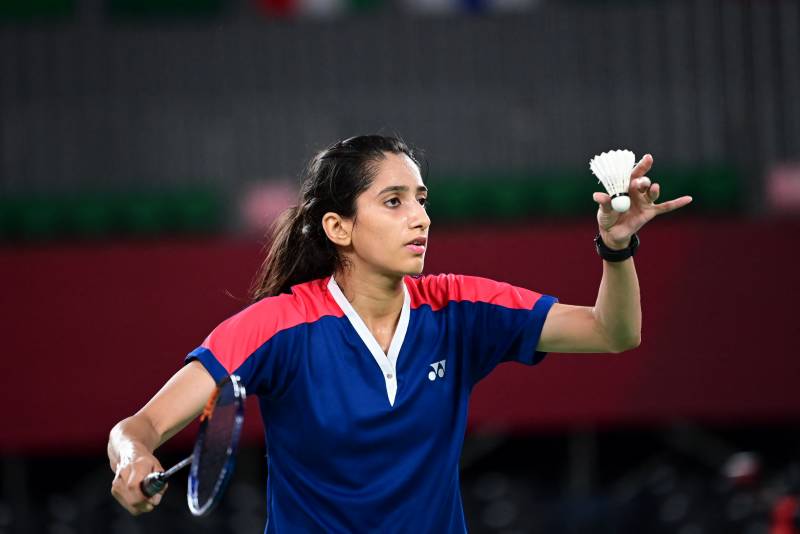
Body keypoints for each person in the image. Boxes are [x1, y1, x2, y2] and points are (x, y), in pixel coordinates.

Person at [108, 135, 692, 531]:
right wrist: (133, 457)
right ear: (338, 226)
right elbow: (140, 426)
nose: (420, 216)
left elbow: (612, 333)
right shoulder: (280, 325)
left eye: (421, 199)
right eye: (393, 201)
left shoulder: (458, 307)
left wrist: (617, 248)